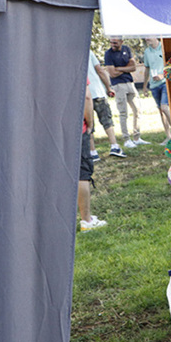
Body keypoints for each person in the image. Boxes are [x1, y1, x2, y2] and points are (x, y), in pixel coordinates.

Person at [104, 36, 148, 148]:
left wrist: (119, 68)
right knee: (123, 112)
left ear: (121, 42)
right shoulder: (108, 54)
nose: (112, 44)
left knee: (137, 109)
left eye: (115, 42)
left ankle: (137, 137)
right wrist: (125, 68)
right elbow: (112, 73)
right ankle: (126, 139)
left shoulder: (126, 49)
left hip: (130, 83)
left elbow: (133, 67)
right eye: (111, 42)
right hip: (118, 85)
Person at [78, 82, 106, 231]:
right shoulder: (77, 64)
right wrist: (89, 124)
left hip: (49, 128)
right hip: (76, 128)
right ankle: (86, 220)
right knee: (81, 174)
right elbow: (87, 97)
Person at [87, 52, 124, 159]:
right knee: (107, 120)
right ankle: (114, 146)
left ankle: (93, 152)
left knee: (89, 124)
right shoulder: (89, 52)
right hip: (97, 92)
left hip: (83, 94)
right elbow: (100, 70)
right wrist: (108, 87)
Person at [141, 36, 171, 141]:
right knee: (161, 111)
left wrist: (162, 75)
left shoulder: (164, 48)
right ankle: (169, 136)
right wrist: (145, 86)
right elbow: (147, 69)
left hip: (165, 83)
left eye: (148, 36)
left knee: (165, 107)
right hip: (154, 85)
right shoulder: (147, 52)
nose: (146, 39)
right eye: (145, 37)